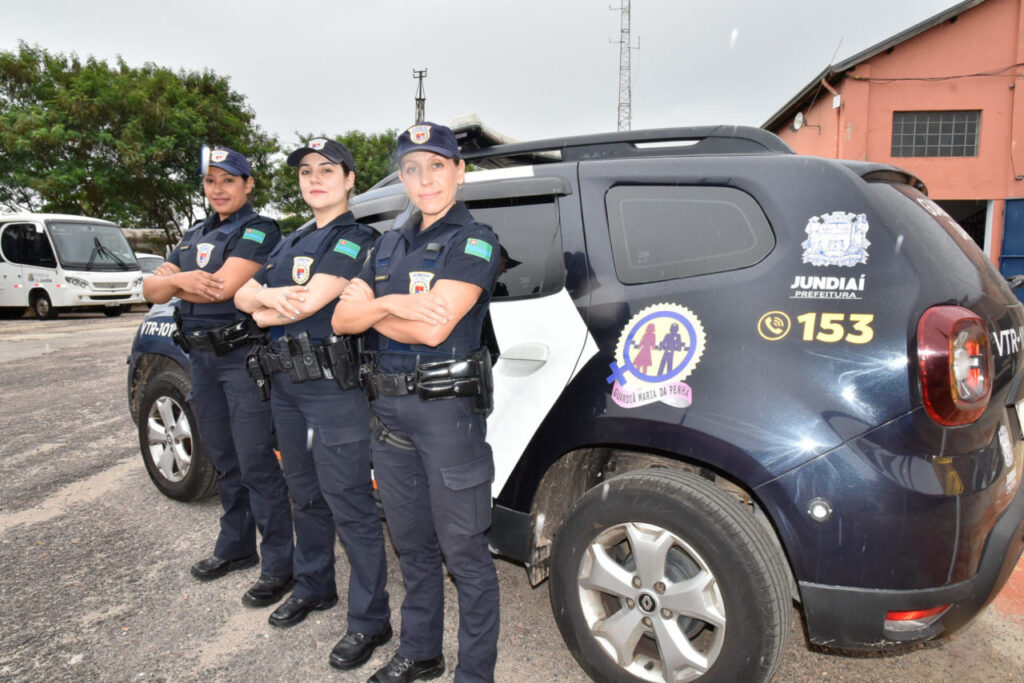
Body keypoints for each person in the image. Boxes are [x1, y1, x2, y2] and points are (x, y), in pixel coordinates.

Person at [332, 122, 501, 683]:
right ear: (402, 177)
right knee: (411, 545)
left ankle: (474, 674)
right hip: (388, 417)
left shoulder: (474, 241)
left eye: (437, 166)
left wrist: (375, 308)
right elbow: (341, 319)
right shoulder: (386, 244)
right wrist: (396, 305)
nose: (425, 180)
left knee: (464, 553)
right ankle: (421, 651)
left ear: (459, 171)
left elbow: (435, 329)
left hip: (446, 417)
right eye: (412, 169)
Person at [233, 139, 391, 669]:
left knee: (350, 502)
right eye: (306, 172)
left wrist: (264, 305)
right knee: (303, 494)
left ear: (349, 180)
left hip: (332, 389)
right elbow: (241, 295)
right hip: (285, 386)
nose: (315, 179)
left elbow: (310, 301)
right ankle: (314, 584)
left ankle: (370, 619)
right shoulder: (291, 240)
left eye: (327, 170)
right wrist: (264, 300)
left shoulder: (356, 238)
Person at [143, 147, 294, 608]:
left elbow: (223, 287)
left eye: (229, 180)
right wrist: (182, 281)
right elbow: (151, 290)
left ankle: (279, 565)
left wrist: (177, 280)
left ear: (248, 184)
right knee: (224, 457)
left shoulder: (258, 229)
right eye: (211, 181)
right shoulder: (194, 233)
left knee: (255, 462)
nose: (219, 189)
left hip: (240, 358)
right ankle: (236, 546)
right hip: (201, 359)